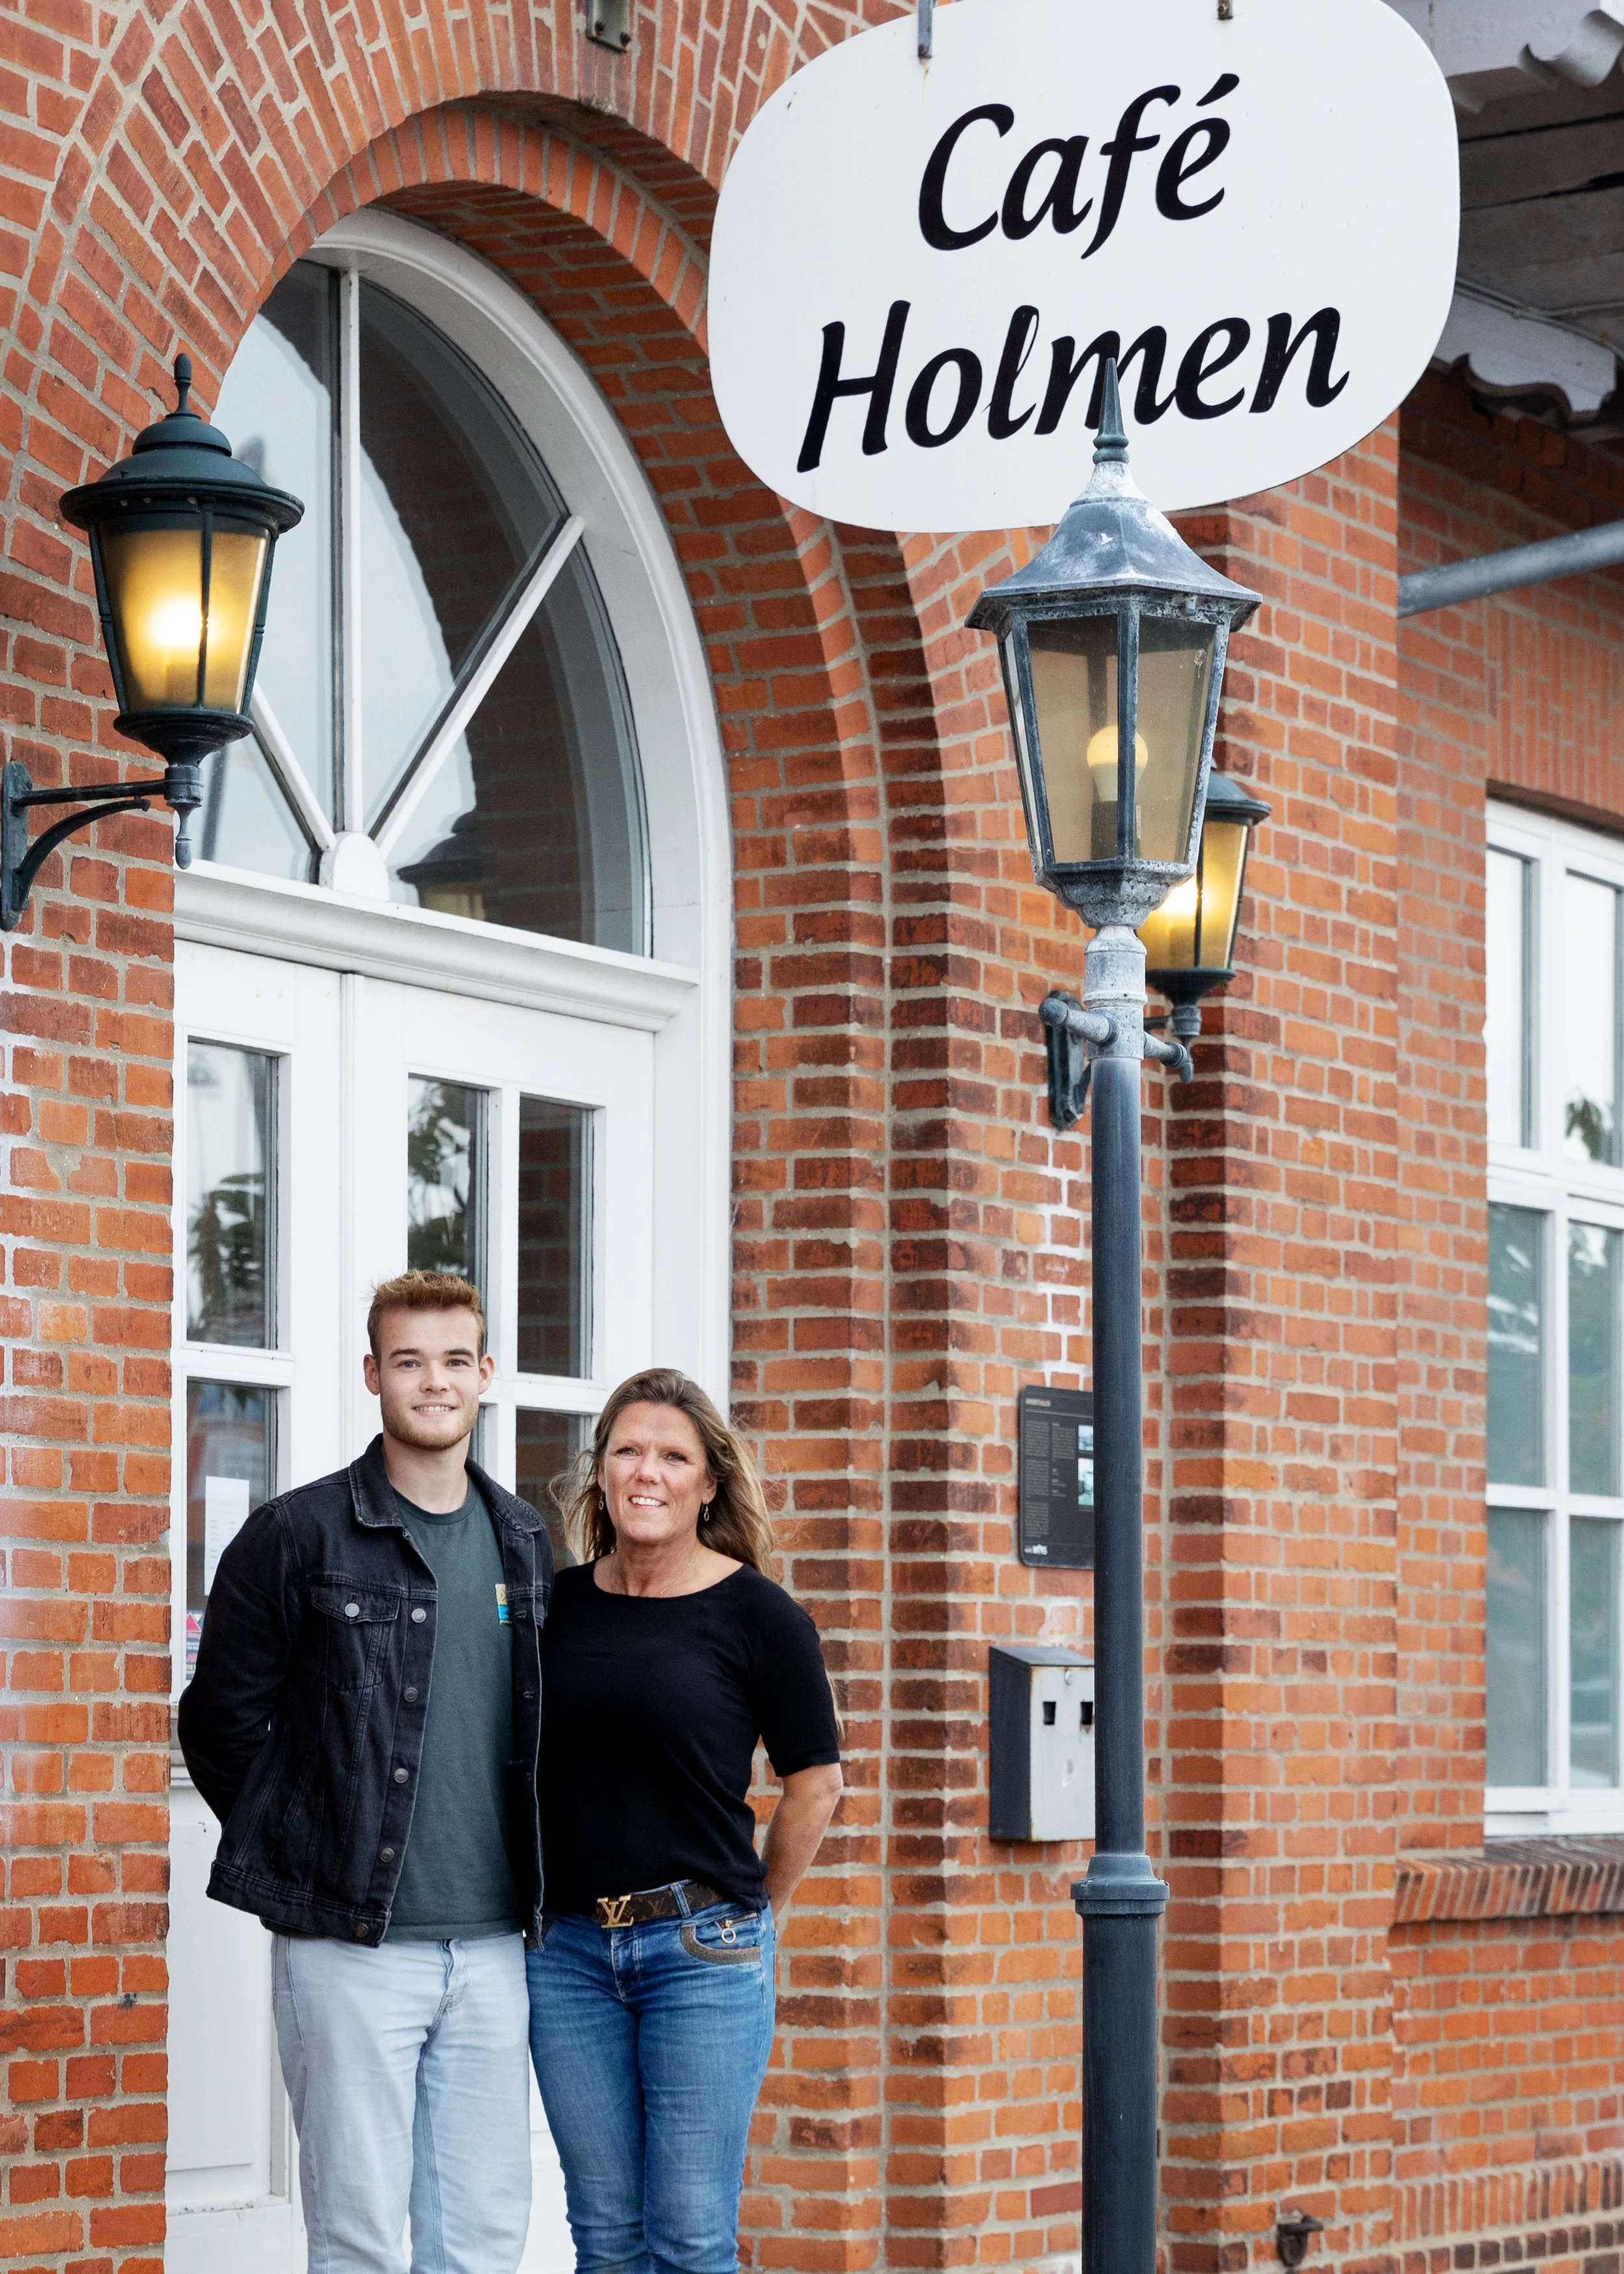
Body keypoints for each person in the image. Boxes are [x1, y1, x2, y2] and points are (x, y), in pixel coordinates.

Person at [177, 1269, 552, 2274]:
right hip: (349, 1944)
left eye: (453, 1360)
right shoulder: (297, 1534)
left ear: (487, 1373)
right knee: (356, 2236)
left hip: (495, 1946)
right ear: (372, 1375)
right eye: (408, 1361)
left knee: (479, 2237)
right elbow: (218, 1722)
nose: (434, 1382)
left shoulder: (524, 1541)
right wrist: (305, 1840)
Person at [529, 1366, 844, 2274]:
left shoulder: (759, 1615)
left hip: (702, 1951)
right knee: (605, 2238)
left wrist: (754, 1912)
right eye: (628, 1449)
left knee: (692, 2239)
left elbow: (814, 1785)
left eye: (674, 1456)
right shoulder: (556, 1609)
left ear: (709, 1483)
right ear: (598, 1471)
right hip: (570, 1958)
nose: (647, 1472)